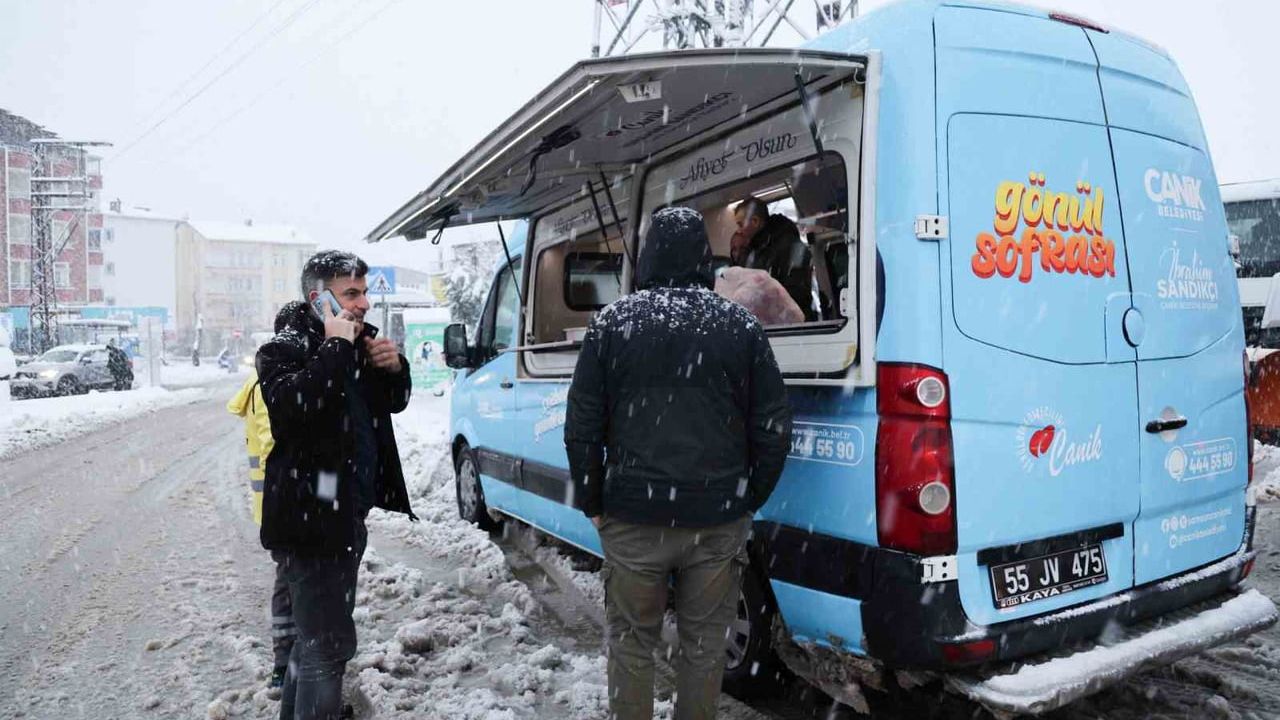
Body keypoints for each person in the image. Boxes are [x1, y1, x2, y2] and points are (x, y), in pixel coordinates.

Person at [565, 207, 793, 720]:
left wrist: (594, 502)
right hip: (716, 521)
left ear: (647, 259)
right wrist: (747, 498)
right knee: (704, 646)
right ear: (702, 261)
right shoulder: (739, 326)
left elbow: (581, 427)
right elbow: (775, 426)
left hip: (632, 518)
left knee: (631, 643)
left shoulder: (612, 324)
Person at [256, 250, 416, 720]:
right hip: (311, 518)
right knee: (328, 647)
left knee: (313, 644)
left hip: (345, 513)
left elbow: (389, 405)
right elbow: (296, 409)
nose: (364, 303)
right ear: (318, 298)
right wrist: (335, 347)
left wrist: (393, 370)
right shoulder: (284, 348)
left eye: (365, 291)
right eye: (352, 293)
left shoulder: (356, 342)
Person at [227, 369, 296, 691]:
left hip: (272, 508)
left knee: (288, 582)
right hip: (284, 509)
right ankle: (286, 664)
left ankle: (288, 661)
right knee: (291, 584)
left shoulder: (261, 382)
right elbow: (276, 450)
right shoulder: (274, 384)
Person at [732, 196, 816, 320]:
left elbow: (797, 293)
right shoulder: (753, 250)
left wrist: (763, 301)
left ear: (755, 221)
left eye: (740, 224)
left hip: (792, 327)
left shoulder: (791, 246)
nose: (738, 230)